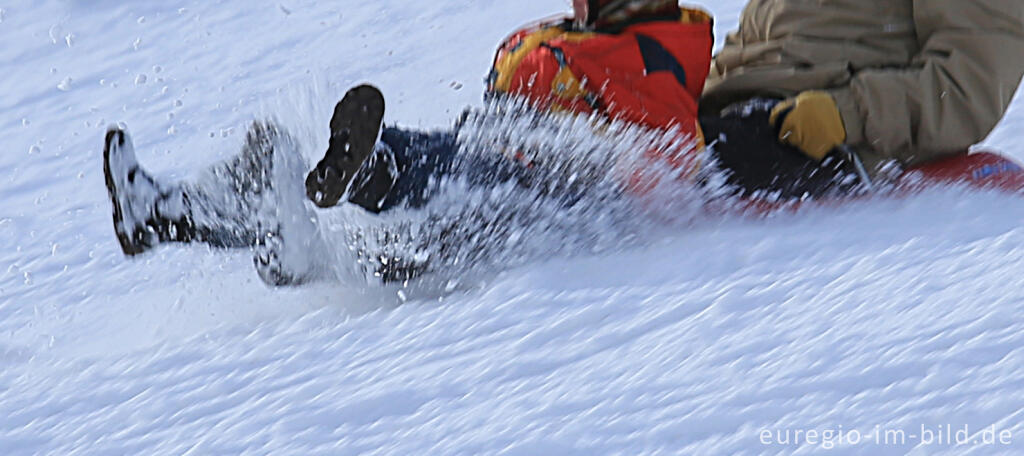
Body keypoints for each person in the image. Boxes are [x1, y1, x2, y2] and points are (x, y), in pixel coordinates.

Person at [103, 0, 717, 285]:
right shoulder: (574, 39)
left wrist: (589, 159)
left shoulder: (657, 56)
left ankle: (367, 186)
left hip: (552, 208)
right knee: (283, 168)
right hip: (491, 174)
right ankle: (165, 213)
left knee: (464, 178)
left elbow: (663, 169)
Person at [700, 0, 1024, 196]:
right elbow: (751, 57)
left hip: (836, 143)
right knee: (659, 140)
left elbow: (966, 89)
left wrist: (846, 114)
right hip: (742, 117)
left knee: (668, 168)